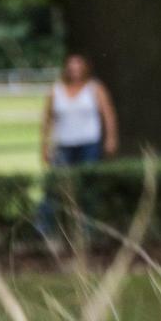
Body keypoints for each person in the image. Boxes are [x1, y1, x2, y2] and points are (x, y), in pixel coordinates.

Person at [34, 52, 119, 242]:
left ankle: (87, 228)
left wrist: (111, 138)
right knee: (55, 186)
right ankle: (43, 226)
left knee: (88, 184)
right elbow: (47, 120)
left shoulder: (94, 88)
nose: (75, 70)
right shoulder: (56, 90)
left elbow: (108, 114)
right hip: (64, 144)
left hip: (89, 143)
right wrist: (45, 146)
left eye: (78, 65)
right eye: (71, 66)